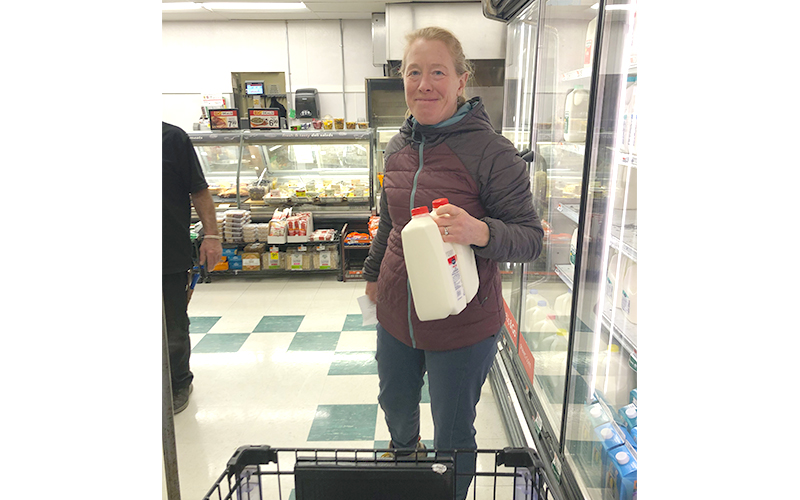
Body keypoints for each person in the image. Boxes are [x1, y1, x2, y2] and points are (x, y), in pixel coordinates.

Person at [362, 27, 544, 499]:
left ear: (462, 80)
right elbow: (390, 223)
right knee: (396, 407)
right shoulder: (398, 146)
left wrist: (479, 231)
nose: (425, 84)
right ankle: (406, 463)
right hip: (397, 312)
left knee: (453, 433)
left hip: (463, 323)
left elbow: (530, 240)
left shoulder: (493, 154)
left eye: (437, 72)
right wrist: (371, 278)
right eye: (414, 72)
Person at [162, 121, 223, 414]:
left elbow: (199, 191)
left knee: (173, 324)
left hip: (167, 251)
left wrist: (211, 236)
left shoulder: (171, 138)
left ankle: (178, 383)